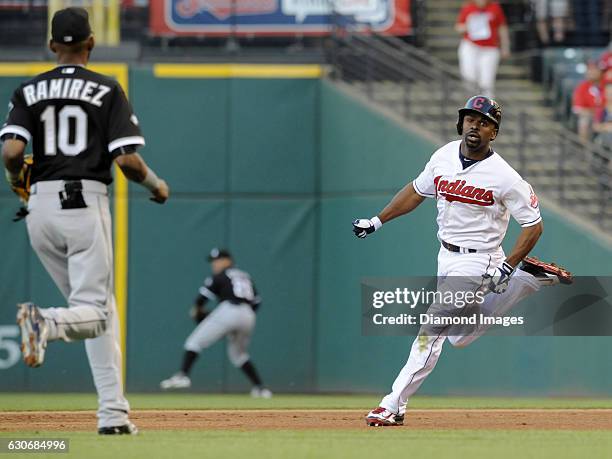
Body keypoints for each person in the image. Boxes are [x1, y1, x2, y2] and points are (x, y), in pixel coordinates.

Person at [352, 95, 573, 427]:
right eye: (470, 119)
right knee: (459, 337)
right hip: (447, 255)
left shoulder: (505, 176)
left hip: (480, 261)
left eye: (484, 122)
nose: (475, 126)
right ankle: (527, 280)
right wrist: (377, 220)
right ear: (461, 123)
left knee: (431, 331)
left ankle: (392, 404)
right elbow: (415, 191)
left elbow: (533, 225)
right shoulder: (443, 156)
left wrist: (507, 264)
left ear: (493, 133)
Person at [1, 7, 169, 434]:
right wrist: (155, 184)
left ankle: (113, 415)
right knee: (92, 312)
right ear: (91, 43)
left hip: (38, 210)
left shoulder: (28, 90)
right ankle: (45, 323)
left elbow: (12, 153)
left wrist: (15, 180)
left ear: (52, 45)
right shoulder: (106, 88)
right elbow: (128, 161)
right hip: (83, 204)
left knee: (96, 310)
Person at [160, 248, 272, 398]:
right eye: (213, 261)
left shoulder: (220, 275)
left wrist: (197, 311)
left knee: (193, 343)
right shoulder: (245, 276)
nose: (214, 264)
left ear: (228, 260)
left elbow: (201, 299)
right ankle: (261, 389)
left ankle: (182, 375)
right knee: (239, 355)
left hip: (229, 309)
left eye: (217, 260)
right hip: (248, 314)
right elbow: (257, 302)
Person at [456, 0, 511, 97]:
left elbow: (502, 27)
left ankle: (486, 110)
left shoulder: (495, 7)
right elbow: (458, 27)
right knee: (469, 77)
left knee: (486, 83)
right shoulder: (468, 7)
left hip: (489, 49)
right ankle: (471, 108)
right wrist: (470, 26)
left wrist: (505, 47)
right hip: (471, 46)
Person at [572, 61, 603, 142]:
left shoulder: (606, 85)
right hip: (591, 117)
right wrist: (595, 114)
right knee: (584, 121)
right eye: (589, 70)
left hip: (607, 115)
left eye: (594, 69)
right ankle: (584, 150)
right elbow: (577, 109)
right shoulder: (582, 87)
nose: (592, 72)